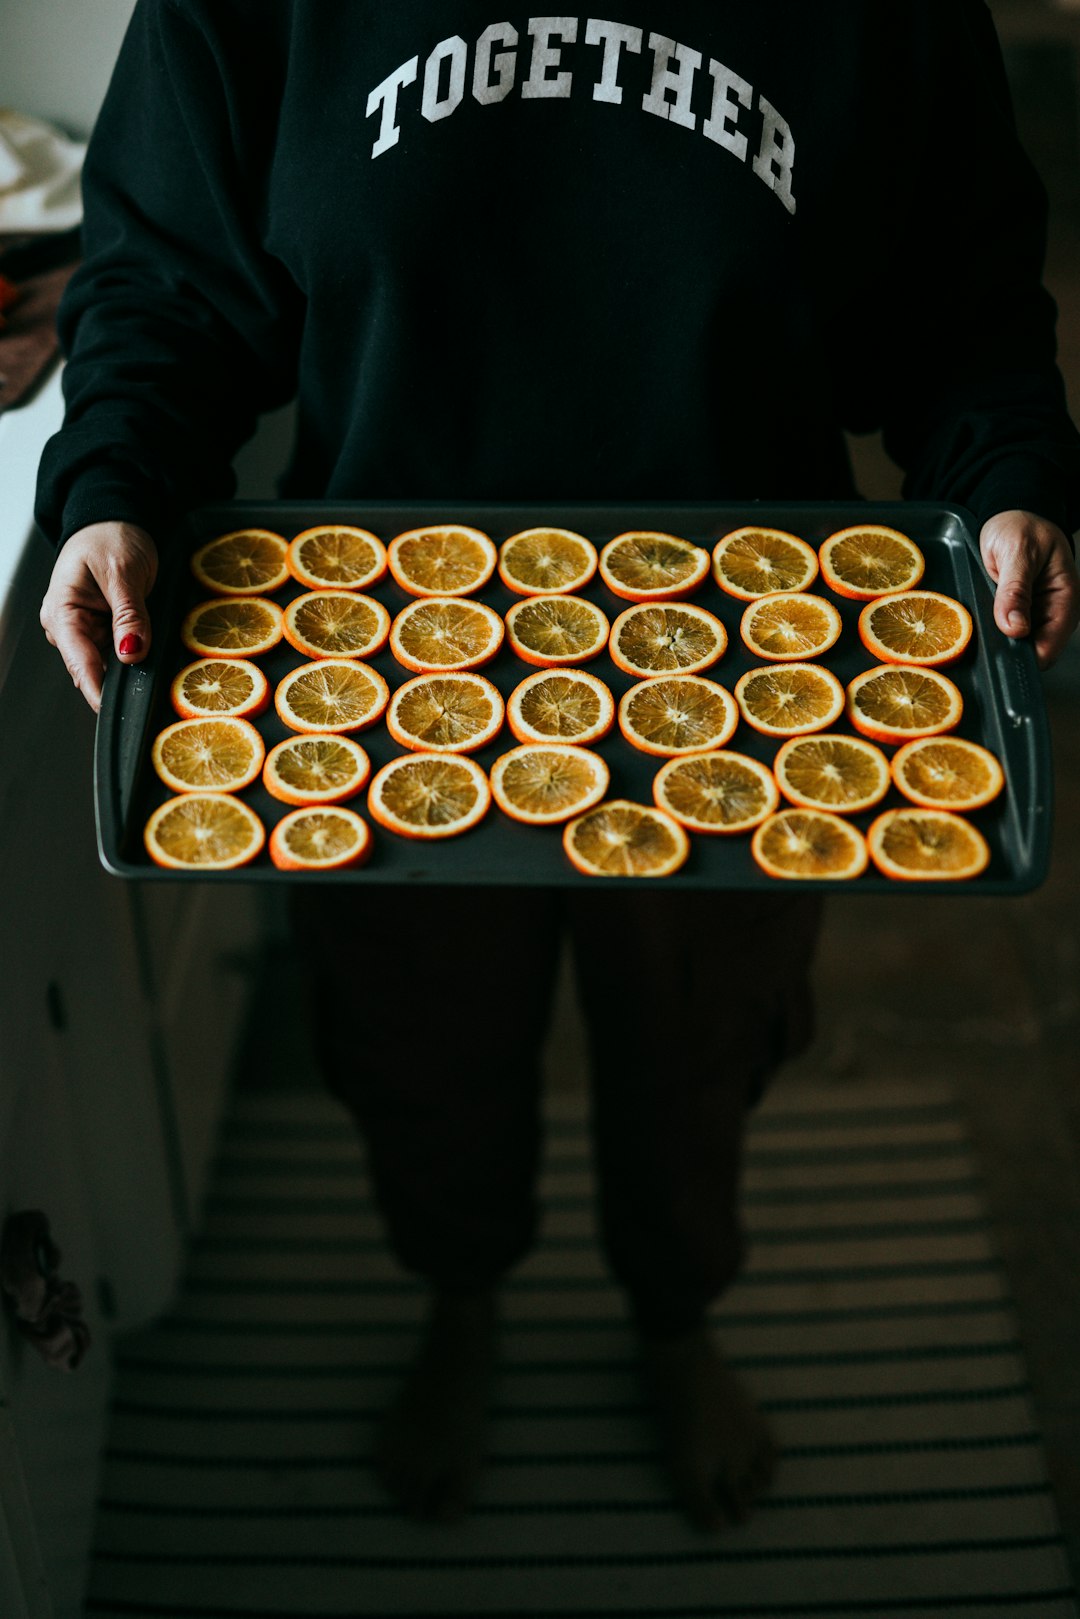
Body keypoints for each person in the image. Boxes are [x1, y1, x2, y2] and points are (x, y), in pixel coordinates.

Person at [36, 1, 1080, 1532]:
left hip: (752, 675)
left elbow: (959, 302)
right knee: (420, 1050)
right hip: (375, 674)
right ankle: (462, 1307)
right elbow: (166, 288)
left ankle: (675, 1319)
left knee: (698, 1043)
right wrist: (113, 485)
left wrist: (1006, 476)